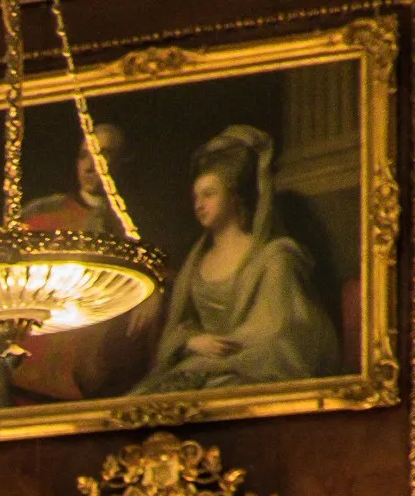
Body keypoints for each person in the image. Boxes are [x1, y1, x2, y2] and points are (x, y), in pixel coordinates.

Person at [131, 125, 341, 394]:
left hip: (250, 368)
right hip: (200, 366)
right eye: (195, 196)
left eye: (209, 194)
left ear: (233, 197)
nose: (198, 204)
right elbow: (180, 326)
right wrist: (194, 342)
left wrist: (223, 352)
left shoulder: (274, 257)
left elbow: (280, 330)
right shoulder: (196, 263)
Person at [0, 123, 159, 406]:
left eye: (102, 156)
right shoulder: (44, 216)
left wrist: (155, 292)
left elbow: (160, 274)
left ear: (121, 162)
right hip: (30, 378)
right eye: (83, 156)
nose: (90, 167)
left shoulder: (134, 224)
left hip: (97, 379)